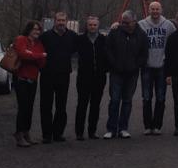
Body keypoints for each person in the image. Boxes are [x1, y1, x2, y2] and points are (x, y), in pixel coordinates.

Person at [104, 10, 149, 139]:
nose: (124, 25)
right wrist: (114, 64)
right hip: (116, 72)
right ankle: (111, 129)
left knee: (127, 101)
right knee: (114, 100)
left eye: (127, 23)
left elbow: (144, 54)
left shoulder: (141, 35)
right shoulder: (114, 32)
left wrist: (135, 65)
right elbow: (108, 49)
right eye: (123, 22)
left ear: (134, 22)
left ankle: (123, 128)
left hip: (132, 73)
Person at [138, 1, 176, 135]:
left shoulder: (169, 25)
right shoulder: (141, 24)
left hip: (162, 66)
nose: (155, 11)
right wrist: (116, 25)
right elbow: (128, 31)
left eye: (157, 9)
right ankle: (148, 126)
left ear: (161, 10)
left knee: (161, 97)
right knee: (146, 97)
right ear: (149, 10)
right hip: (147, 66)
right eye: (152, 9)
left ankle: (157, 125)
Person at [39, 11, 78, 143]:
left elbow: (79, 48)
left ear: (66, 21)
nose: (61, 23)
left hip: (64, 75)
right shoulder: (45, 36)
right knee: (46, 106)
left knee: (61, 106)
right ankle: (46, 135)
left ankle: (58, 133)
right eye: (59, 20)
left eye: (63, 20)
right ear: (54, 21)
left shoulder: (72, 36)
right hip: (47, 75)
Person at [12, 21, 48, 147]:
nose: (37, 31)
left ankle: (26, 133)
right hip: (21, 79)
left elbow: (42, 62)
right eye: (34, 29)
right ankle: (19, 134)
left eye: (38, 29)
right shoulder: (21, 39)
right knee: (23, 107)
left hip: (33, 79)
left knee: (29, 108)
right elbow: (22, 54)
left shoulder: (38, 44)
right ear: (29, 29)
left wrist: (32, 55)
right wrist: (38, 55)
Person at [74, 15, 108, 140]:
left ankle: (92, 131)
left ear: (98, 26)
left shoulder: (103, 40)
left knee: (95, 105)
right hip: (84, 77)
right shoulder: (80, 39)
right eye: (90, 25)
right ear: (86, 26)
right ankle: (79, 132)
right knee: (82, 104)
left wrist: (106, 68)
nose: (92, 27)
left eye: (94, 25)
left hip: (99, 77)